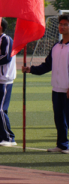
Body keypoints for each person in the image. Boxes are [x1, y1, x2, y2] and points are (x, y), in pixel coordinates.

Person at [24, 13, 69, 154]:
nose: (62, 27)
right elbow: (47, 65)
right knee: (59, 119)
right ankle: (62, 145)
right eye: (60, 24)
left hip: (68, 89)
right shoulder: (56, 46)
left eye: (65, 24)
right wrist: (31, 69)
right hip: (57, 89)